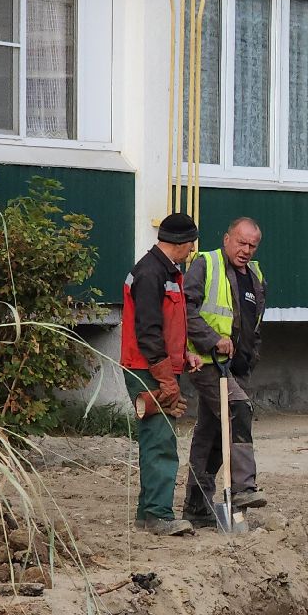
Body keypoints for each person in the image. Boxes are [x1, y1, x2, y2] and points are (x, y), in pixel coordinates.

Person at [182, 217, 269, 526]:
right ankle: (245, 488)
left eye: (252, 245)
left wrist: (250, 356)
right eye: (241, 242)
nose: (246, 250)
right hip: (206, 363)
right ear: (227, 238)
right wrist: (211, 340)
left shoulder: (255, 276)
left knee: (211, 438)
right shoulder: (206, 263)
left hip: (235, 367)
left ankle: (197, 507)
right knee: (238, 409)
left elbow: (253, 323)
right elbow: (185, 308)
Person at [120, 212, 199, 536]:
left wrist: (184, 356)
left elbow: (167, 326)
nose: (193, 248)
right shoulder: (152, 273)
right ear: (180, 243)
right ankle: (158, 515)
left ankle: (148, 512)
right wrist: (166, 378)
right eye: (191, 242)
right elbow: (149, 330)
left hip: (155, 364)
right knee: (161, 439)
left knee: (156, 436)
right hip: (147, 367)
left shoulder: (163, 271)